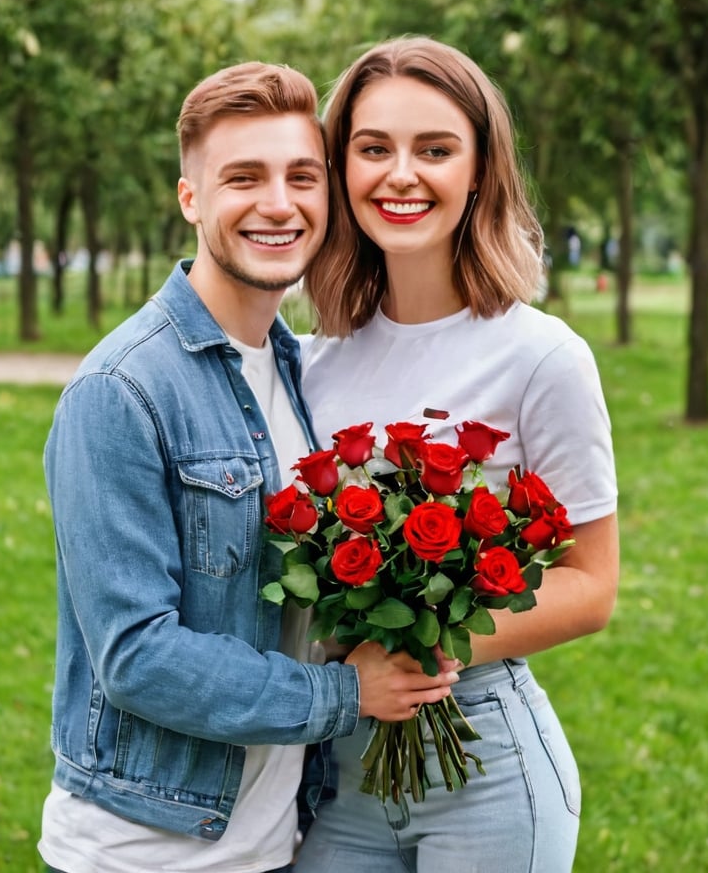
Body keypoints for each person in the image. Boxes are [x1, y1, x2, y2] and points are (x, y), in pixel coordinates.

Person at [37, 61, 459, 873]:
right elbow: (137, 656)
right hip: (144, 851)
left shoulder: (294, 370)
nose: (278, 202)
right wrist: (345, 696)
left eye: (302, 176)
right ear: (191, 198)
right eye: (244, 177)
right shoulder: (119, 390)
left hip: (272, 841)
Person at [296, 37, 619, 873]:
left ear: (479, 171)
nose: (400, 175)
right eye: (373, 149)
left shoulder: (541, 356)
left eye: (434, 150)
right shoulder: (308, 363)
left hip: (488, 772)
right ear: (341, 169)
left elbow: (591, 586)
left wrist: (427, 644)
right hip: (338, 778)